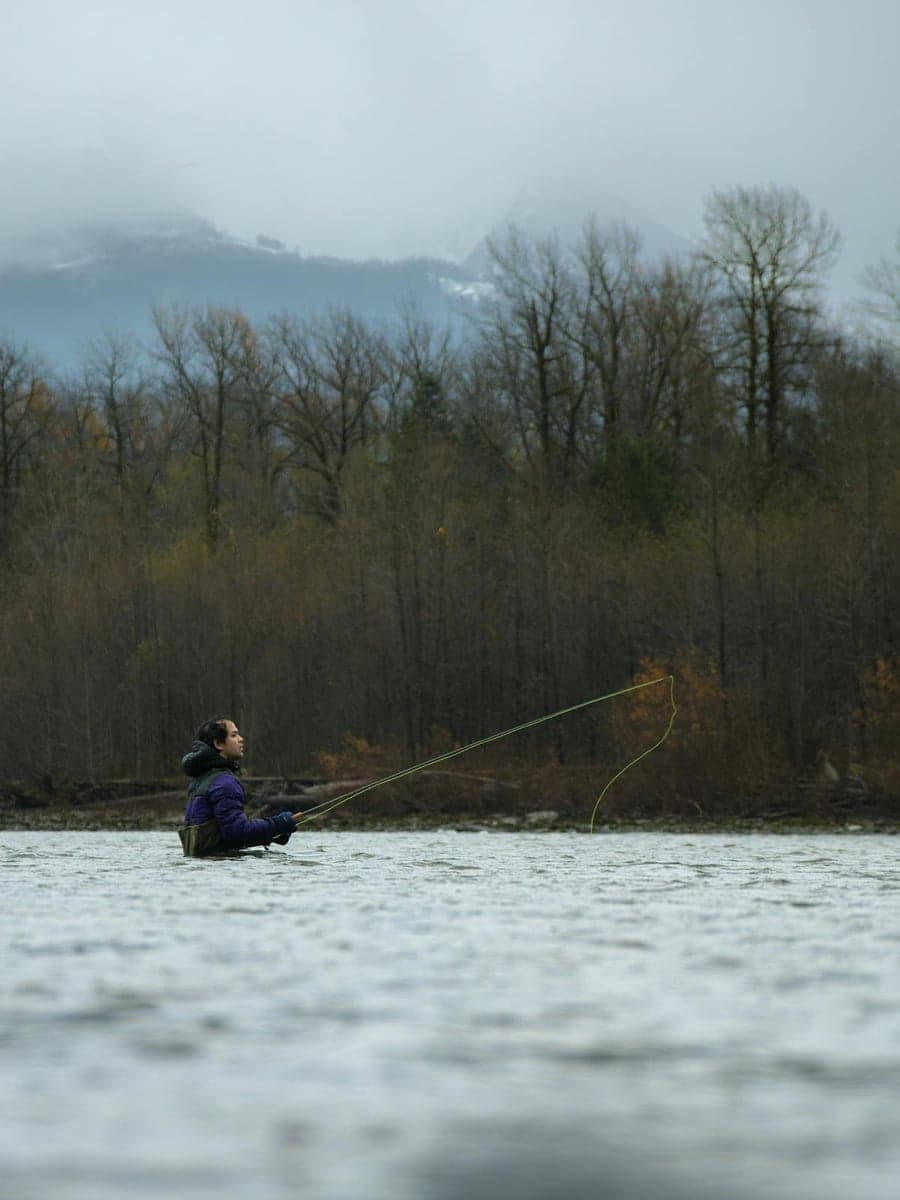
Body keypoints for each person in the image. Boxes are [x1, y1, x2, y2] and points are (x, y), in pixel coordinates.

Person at [178, 716, 297, 856]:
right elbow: (237, 833)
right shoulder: (224, 782)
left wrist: (271, 834)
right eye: (234, 735)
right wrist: (278, 824)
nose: (241, 739)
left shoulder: (201, 780)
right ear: (218, 744)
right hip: (220, 869)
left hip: (205, 867)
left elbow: (224, 835)